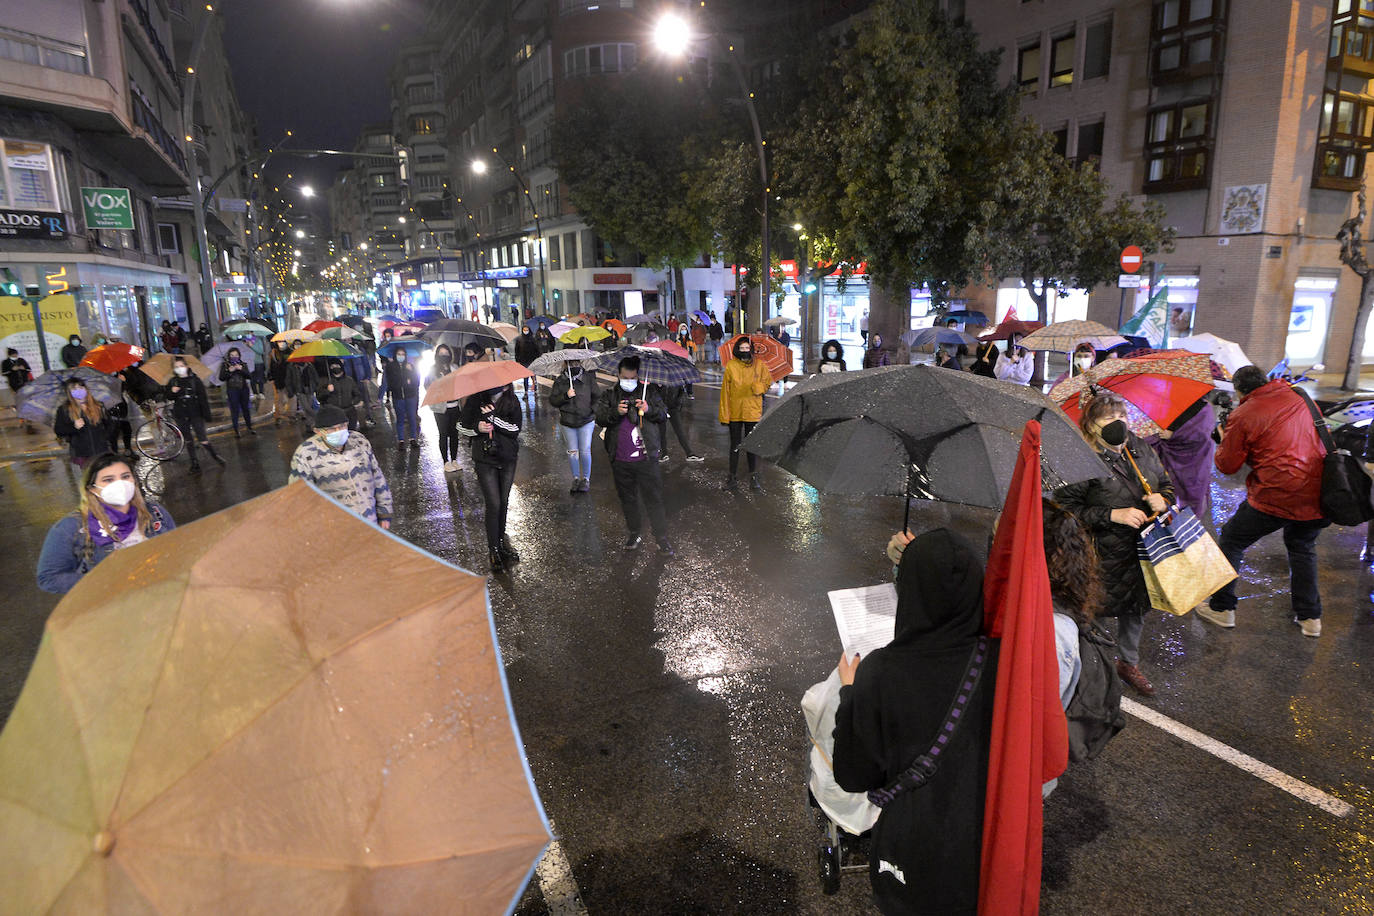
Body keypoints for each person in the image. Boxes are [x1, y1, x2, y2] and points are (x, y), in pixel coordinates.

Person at [831, 528, 997, 915]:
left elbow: (854, 774)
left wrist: (850, 693)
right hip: (986, 839)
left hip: (917, 846)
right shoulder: (1002, 659)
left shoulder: (881, 672)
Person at [1054, 392, 1172, 696]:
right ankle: (1092, 669)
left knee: (1136, 611)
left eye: (1122, 416)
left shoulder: (1141, 448)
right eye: (1109, 417)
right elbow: (1065, 508)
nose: (1118, 423)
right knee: (1094, 612)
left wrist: (1165, 500)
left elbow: (1167, 484)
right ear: (1092, 425)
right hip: (1099, 554)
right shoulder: (1080, 458)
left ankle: (1128, 663)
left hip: (1143, 551)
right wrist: (1112, 514)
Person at [1198, 366, 1329, 637]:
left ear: (1239, 390)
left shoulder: (1244, 413)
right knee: (1303, 547)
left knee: (1232, 540)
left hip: (1276, 493)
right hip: (1317, 491)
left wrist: (1224, 438)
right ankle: (1310, 618)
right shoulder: (1301, 396)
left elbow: (1227, 465)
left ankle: (1222, 609)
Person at [37, 453, 175, 594]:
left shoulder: (154, 512)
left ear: (134, 480)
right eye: (108, 480)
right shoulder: (71, 527)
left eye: (125, 476)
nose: (120, 484)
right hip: (112, 605)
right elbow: (49, 578)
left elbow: (176, 549)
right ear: (92, 488)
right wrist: (106, 582)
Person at [595, 356, 672, 553]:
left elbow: (663, 414)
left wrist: (648, 409)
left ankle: (661, 537)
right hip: (620, 459)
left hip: (646, 459)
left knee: (653, 498)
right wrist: (615, 412)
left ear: (638, 376)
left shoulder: (650, 392)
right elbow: (600, 418)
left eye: (632, 377)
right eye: (624, 377)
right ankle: (634, 532)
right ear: (618, 375)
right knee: (627, 498)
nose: (628, 381)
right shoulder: (610, 394)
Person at [288, 404, 393, 528]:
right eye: (332, 429)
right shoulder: (305, 454)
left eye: (342, 426)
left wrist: (384, 512)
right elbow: (301, 498)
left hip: (369, 522)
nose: (339, 431)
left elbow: (377, 476)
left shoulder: (359, 441)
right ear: (317, 431)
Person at [459, 383, 523, 573]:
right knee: (493, 503)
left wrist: (494, 419)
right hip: (485, 459)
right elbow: (461, 426)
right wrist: (478, 427)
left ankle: (501, 543)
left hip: (508, 458)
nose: (500, 387)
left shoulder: (512, 400)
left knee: (503, 502)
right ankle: (493, 549)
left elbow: (515, 429)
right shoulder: (476, 399)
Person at [1146, 399, 1217, 520]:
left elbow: (1201, 434)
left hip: (1194, 459)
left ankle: (1185, 521)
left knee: (1190, 492)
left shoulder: (1203, 408)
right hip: (1174, 458)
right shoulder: (1167, 402)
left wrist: (1174, 435)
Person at [720, 336, 773, 490]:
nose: (744, 350)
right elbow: (725, 392)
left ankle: (753, 477)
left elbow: (767, 382)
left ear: (751, 349)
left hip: (752, 411)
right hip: (735, 411)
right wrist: (725, 414)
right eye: (741, 348)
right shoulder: (731, 366)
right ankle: (732, 477)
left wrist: (760, 388)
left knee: (751, 446)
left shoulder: (760, 365)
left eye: (746, 348)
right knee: (734, 446)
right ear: (737, 349)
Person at [163, 355, 224, 471]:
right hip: (180, 413)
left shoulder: (195, 380)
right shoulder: (173, 381)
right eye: (176, 367)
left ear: (186, 366)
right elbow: (168, 396)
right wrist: (172, 391)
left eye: (181, 366)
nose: (179, 368)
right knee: (188, 439)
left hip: (195, 413)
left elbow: (203, 399)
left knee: (202, 438)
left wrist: (207, 415)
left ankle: (215, 455)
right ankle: (194, 463)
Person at [549, 363, 598, 493]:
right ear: (566, 363)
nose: (574, 365)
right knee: (572, 451)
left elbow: (597, 397)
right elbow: (553, 400)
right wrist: (565, 396)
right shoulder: (560, 381)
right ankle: (576, 478)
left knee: (585, 450)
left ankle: (586, 479)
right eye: (571, 362)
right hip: (567, 421)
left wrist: (592, 411)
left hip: (586, 420)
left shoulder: (588, 378)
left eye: (577, 362)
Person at [53, 377, 113, 468]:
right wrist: (74, 427)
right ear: (69, 392)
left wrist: (104, 438)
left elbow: (110, 424)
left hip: (101, 452)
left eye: (81, 387)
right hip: (81, 454)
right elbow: (58, 430)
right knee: (87, 480)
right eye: (74, 389)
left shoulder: (98, 406)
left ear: (86, 389)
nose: (78, 391)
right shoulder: (64, 410)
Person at [655, 383, 703, 464]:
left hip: (673, 409)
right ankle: (664, 454)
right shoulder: (657, 379)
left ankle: (689, 453)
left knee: (680, 431)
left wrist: (678, 405)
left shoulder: (676, 379)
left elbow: (681, 393)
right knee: (661, 432)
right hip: (661, 408)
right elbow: (653, 395)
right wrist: (659, 387)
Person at [385, 347, 421, 447]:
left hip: (410, 396)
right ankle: (401, 440)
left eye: (403, 354)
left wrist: (411, 372)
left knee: (412, 418)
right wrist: (399, 384)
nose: (401, 356)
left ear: (405, 356)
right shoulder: (390, 367)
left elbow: (417, 382)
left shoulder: (410, 366)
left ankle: (413, 438)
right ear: (395, 355)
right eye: (398, 354)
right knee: (400, 419)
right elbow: (389, 382)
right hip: (398, 397)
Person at [218, 346, 256, 437]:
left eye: (236, 355)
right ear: (229, 356)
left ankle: (249, 427)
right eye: (232, 355)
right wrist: (230, 371)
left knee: (245, 409)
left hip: (243, 389)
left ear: (239, 355)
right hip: (232, 390)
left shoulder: (243, 364)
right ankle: (236, 430)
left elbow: (249, 376)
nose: (234, 356)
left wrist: (241, 369)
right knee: (235, 410)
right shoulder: (225, 365)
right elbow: (221, 377)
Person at [318, 358, 364, 431]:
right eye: (332, 366)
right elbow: (319, 397)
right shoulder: (325, 381)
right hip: (333, 415)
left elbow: (357, 395)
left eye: (336, 365)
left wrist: (352, 402)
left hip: (349, 413)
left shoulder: (349, 380)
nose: (334, 368)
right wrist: (327, 391)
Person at [4, 348, 35, 433]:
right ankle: (22, 418)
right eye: (13, 355)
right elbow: (4, 373)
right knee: (20, 401)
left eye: (16, 354)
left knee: (27, 400)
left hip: (25, 383)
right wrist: (11, 370)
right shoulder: (6, 362)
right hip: (14, 385)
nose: (15, 356)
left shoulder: (21, 360)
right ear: (10, 355)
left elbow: (29, 369)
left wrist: (23, 368)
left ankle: (29, 417)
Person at [269, 341, 291, 423]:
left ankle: (290, 414)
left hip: (289, 378)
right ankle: (278, 416)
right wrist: (272, 376)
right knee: (279, 398)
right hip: (278, 379)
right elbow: (271, 366)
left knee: (290, 398)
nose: (281, 343)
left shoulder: (290, 352)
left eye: (282, 342)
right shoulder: (274, 353)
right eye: (279, 342)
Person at [514, 326, 540, 397]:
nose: (525, 331)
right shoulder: (519, 339)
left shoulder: (533, 339)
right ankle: (526, 392)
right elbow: (517, 350)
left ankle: (535, 391)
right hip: (523, 360)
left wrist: (537, 358)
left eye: (527, 330)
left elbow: (537, 349)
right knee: (525, 377)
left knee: (533, 377)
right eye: (524, 330)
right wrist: (517, 360)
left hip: (532, 360)